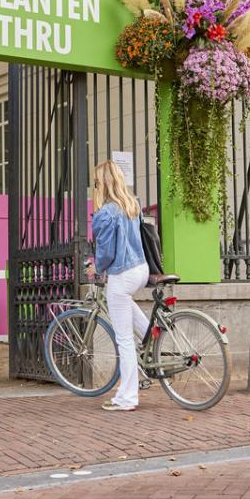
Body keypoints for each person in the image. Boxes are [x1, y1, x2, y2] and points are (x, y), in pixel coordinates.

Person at [87, 160, 149, 412]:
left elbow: (105, 253)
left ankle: (127, 398)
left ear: (102, 183)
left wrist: (95, 268)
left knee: (124, 339)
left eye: (95, 182)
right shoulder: (132, 205)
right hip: (141, 269)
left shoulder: (106, 213)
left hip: (122, 274)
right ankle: (155, 347)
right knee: (130, 311)